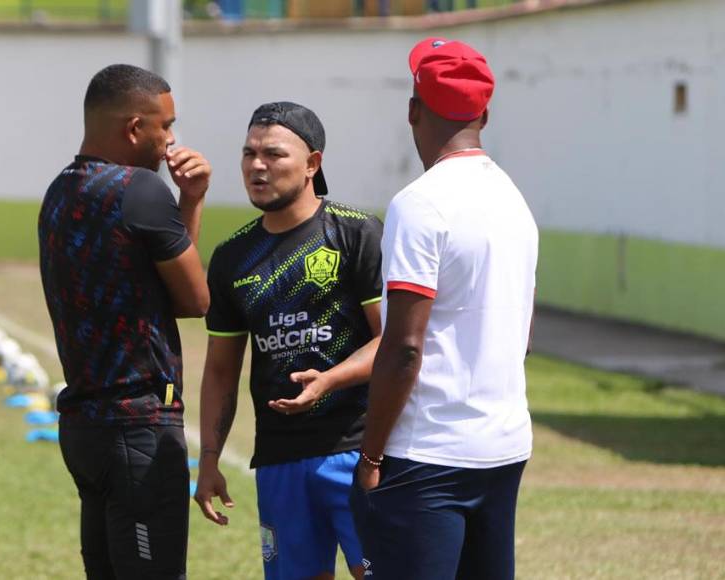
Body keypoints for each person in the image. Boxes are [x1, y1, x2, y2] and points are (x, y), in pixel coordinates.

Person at [350, 38, 538, 579]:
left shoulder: (419, 204)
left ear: (413, 110)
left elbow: (404, 347)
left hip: (427, 454)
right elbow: (523, 332)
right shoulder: (514, 200)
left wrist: (370, 458)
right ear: (485, 112)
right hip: (503, 446)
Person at [193, 102, 383, 580]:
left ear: (312, 164)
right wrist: (210, 459)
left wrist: (330, 381)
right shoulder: (233, 256)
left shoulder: (356, 234)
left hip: (357, 449)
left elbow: (393, 341)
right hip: (280, 460)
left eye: (274, 154)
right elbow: (220, 369)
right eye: (249, 153)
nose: (257, 166)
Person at [38, 64, 211, 579]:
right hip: (138, 428)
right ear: (135, 128)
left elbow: (158, 292)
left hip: (84, 427)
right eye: (166, 126)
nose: (171, 140)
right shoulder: (140, 190)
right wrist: (191, 199)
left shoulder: (58, 191)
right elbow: (195, 299)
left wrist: (188, 202)